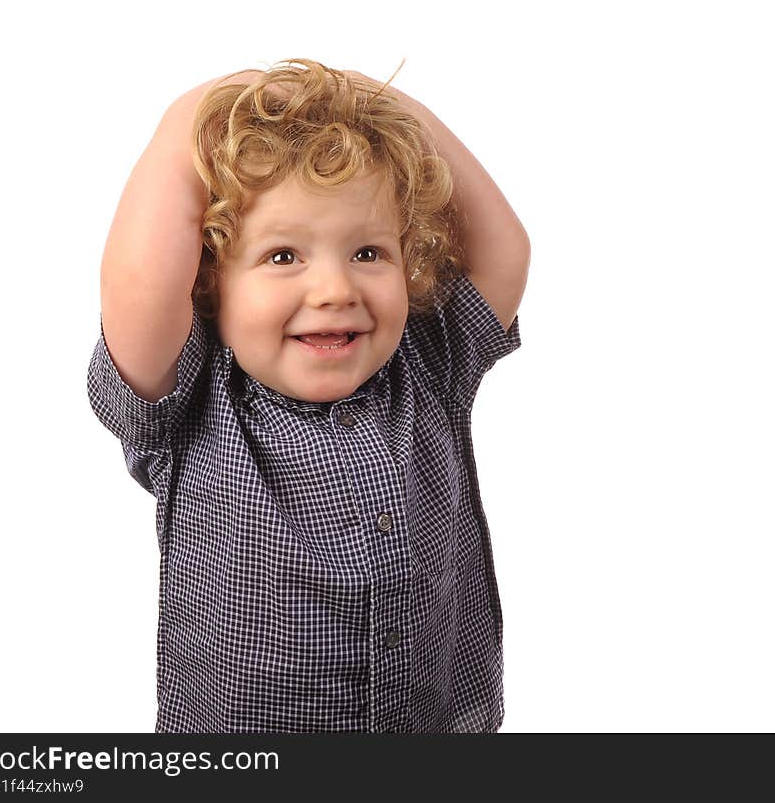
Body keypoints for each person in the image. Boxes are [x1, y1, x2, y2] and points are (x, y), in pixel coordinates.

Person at [86, 58, 530, 733]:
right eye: (284, 256)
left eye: (369, 253)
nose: (335, 290)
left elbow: (502, 248)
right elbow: (138, 283)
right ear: (208, 283)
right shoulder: (193, 399)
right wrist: (196, 113)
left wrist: (373, 102)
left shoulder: (429, 363)